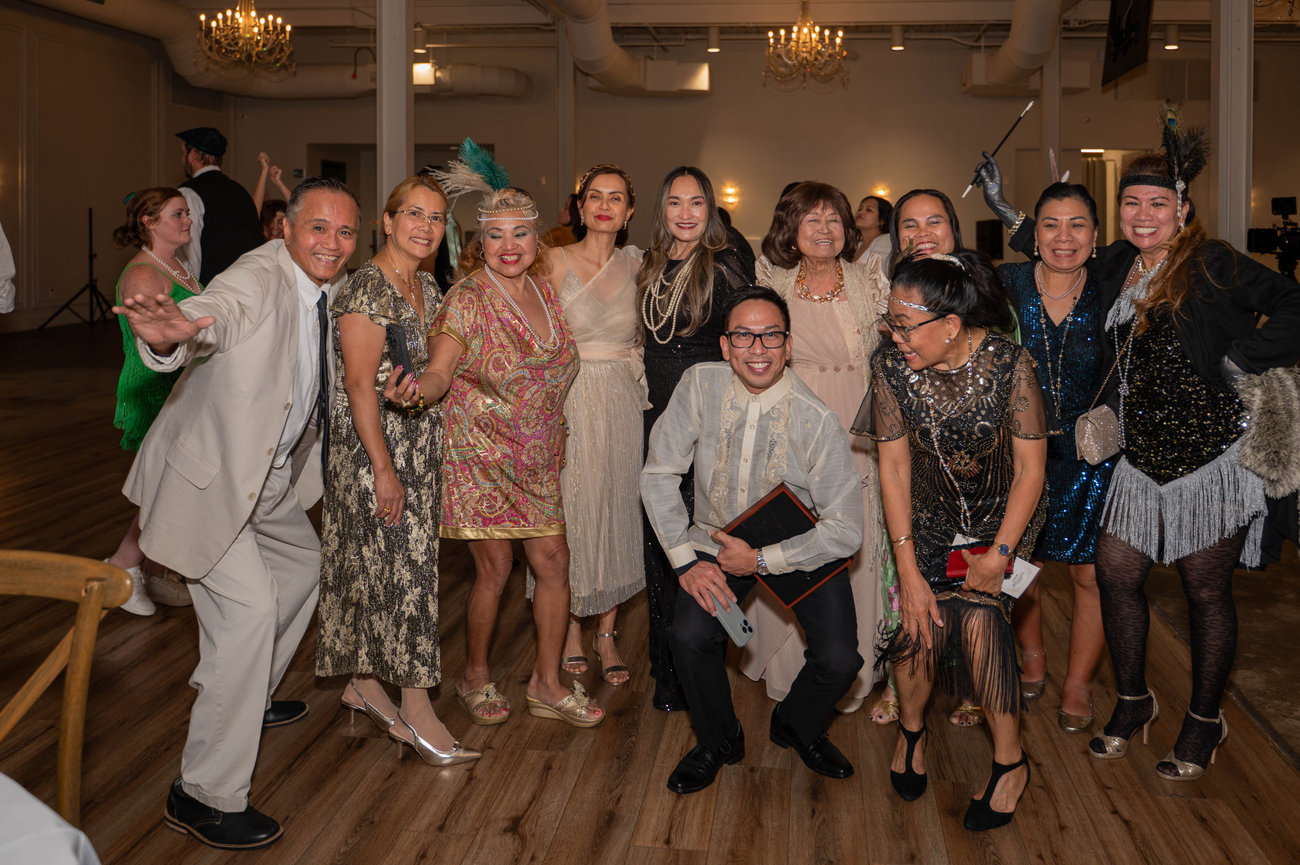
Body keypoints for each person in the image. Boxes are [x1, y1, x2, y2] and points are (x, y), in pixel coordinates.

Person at [978, 128, 1300, 780]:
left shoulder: (1211, 261)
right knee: (1118, 574)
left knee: (1204, 589)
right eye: (1132, 204)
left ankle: (1204, 721)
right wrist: (1005, 209)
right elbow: (1057, 242)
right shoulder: (1116, 263)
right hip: (1139, 459)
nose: (1144, 215)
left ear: (1182, 209)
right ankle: (1132, 701)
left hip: (1213, 460)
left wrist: (1246, 357)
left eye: (1158, 204)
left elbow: (1292, 300)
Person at [115, 176, 361, 849]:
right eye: (318, 227)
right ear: (286, 227)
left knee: (303, 566)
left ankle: (244, 692)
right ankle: (203, 793)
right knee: (250, 611)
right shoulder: (257, 276)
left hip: (268, 475)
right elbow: (214, 313)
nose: (332, 242)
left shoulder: (331, 286)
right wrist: (173, 333)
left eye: (345, 231)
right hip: (211, 479)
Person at [394, 184, 603, 728]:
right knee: (496, 568)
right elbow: (441, 369)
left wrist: (558, 430)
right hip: (479, 454)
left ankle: (546, 683)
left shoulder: (544, 292)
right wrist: (418, 391)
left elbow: (552, 375)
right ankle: (474, 676)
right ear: (479, 243)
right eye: (495, 235)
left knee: (554, 563)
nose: (509, 246)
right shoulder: (467, 298)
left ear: (537, 239)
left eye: (520, 233)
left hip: (536, 456)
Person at [642, 285, 864, 794]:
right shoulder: (699, 384)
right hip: (714, 538)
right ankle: (719, 739)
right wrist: (685, 562)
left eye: (771, 336)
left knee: (839, 661)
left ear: (789, 345)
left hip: (797, 541)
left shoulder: (817, 419)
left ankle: (796, 724)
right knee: (690, 636)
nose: (757, 348)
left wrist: (761, 559)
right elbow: (658, 474)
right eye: (743, 336)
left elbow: (846, 529)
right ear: (725, 345)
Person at [866, 251, 1047, 830]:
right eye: (891, 323)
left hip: (1002, 517)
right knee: (917, 623)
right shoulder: (891, 366)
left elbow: (1031, 470)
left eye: (905, 326)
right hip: (926, 514)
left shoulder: (1009, 363)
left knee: (979, 621)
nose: (896, 337)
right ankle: (911, 733)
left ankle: (1009, 762)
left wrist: (1000, 554)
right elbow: (894, 469)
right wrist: (908, 571)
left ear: (950, 324)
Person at [315, 175, 479, 766]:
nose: (425, 227)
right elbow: (359, 386)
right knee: (405, 577)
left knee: (386, 569)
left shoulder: (426, 284)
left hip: (417, 444)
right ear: (387, 222)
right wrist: (384, 471)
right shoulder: (367, 287)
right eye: (414, 214)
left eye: (436, 218)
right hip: (375, 453)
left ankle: (363, 684)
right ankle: (416, 707)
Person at [746, 181, 891, 715]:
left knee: (855, 534)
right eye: (812, 219)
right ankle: (791, 665)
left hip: (857, 424)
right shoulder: (773, 282)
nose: (825, 229)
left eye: (833, 219)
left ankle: (851, 667)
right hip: (793, 422)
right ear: (792, 229)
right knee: (796, 530)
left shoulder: (870, 279)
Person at [994, 183, 1114, 733]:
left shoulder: (1113, 286)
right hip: (1021, 455)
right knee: (1023, 568)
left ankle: (1079, 683)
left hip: (1093, 457)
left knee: (1090, 575)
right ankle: (1033, 656)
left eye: (1077, 224)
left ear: (1096, 234)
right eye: (1051, 224)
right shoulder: (1007, 283)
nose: (1064, 237)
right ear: (1032, 233)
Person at [637, 165, 751, 712]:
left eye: (696, 203)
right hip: (655, 416)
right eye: (675, 202)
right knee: (660, 543)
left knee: (700, 542)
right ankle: (667, 672)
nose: (685, 213)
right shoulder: (651, 265)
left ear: (710, 210)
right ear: (662, 210)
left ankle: (698, 672)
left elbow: (746, 340)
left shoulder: (723, 267)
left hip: (703, 419)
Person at [536, 163, 645, 684]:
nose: (604, 205)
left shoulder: (641, 266)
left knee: (616, 507)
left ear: (629, 212)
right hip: (568, 398)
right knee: (572, 508)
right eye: (594, 196)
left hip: (622, 400)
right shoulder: (551, 260)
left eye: (615, 198)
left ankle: (607, 630)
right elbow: (530, 332)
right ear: (580, 208)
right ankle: (571, 628)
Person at [103, 188, 205, 615]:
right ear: (149, 222)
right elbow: (154, 343)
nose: (188, 220)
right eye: (177, 214)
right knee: (165, 489)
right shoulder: (143, 275)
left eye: (187, 213)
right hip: (155, 390)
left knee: (171, 487)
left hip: (180, 387)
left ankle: (155, 573)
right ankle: (122, 567)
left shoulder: (175, 264)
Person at [175, 127, 265, 285]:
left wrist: (190, 293)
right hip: (250, 286)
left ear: (194, 154)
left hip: (213, 291)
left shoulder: (188, 192)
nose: (182, 160)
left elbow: (191, 252)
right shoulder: (240, 191)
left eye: (183, 153)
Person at [253, 151, 293, 241]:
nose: (275, 227)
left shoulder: (292, 245)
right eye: (270, 221)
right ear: (262, 225)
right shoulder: (255, 244)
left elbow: (299, 210)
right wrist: (264, 170)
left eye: (280, 222)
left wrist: (278, 182)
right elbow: (254, 213)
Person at [852, 195, 892, 263]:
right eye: (859, 209)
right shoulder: (856, 246)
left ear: (882, 220)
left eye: (868, 210)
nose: (860, 212)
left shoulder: (886, 241)